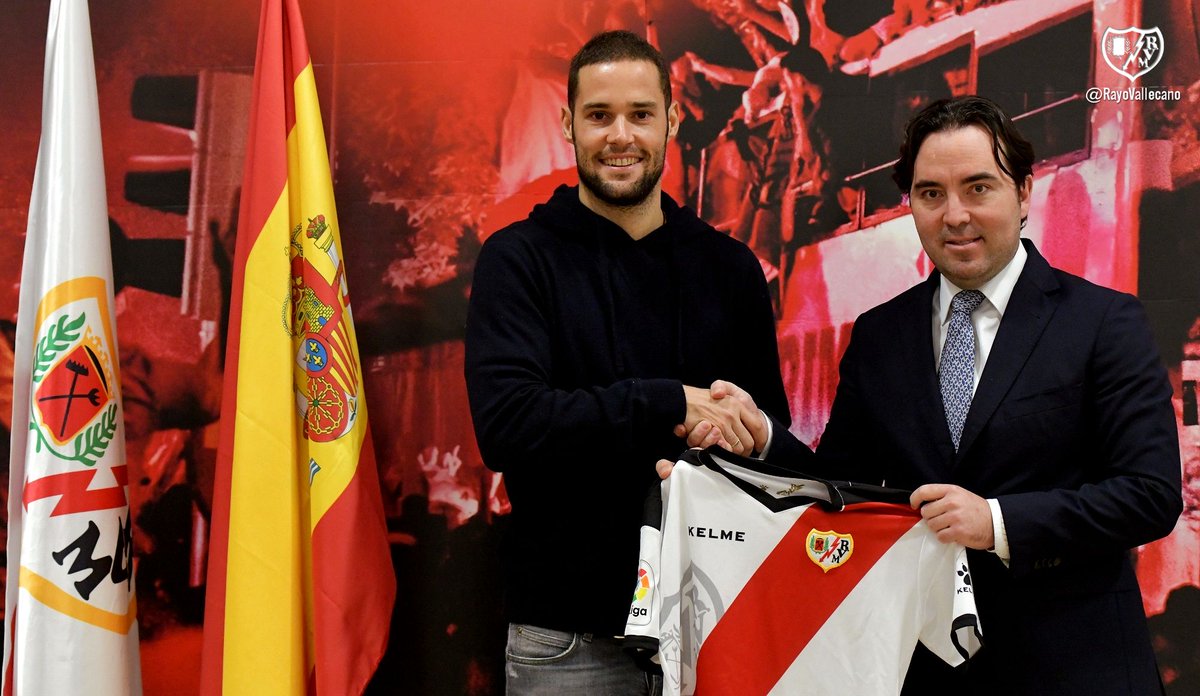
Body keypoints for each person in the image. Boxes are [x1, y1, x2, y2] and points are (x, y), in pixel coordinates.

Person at [668, 95, 1182, 695]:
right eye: (931, 193)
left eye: (978, 188)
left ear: (1024, 191)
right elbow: (841, 492)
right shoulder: (880, 333)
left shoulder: (1104, 321)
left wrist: (994, 521)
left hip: (1076, 668)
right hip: (925, 673)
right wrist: (764, 440)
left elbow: (1148, 495)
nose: (954, 215)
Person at [463, 30, 791, 695]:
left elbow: (777, 448)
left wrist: (751, 434)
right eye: (599, 115)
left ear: (672, 119)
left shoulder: (729, 269)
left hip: (719, 635)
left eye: (641, 114)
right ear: (567, 124)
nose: (621, 135)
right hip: (569, 643)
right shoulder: (517, 260)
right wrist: (672, 403)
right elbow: (509, 427)